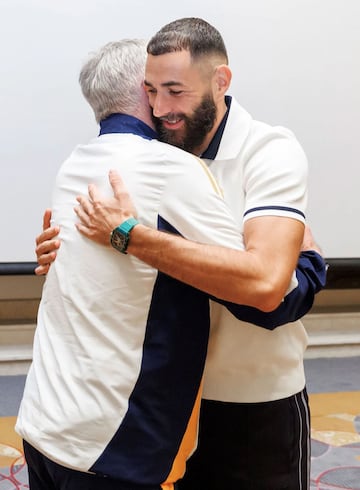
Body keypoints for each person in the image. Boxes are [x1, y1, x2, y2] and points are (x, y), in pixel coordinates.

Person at [34, 19, 327, 490]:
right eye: (151, 91)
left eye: (175, 91)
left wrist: (129, 236)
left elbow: (268, 291)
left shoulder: (268, 150)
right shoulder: (158, 154)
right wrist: (65, 250)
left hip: (254, 399)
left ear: (220, 82)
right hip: (170, 405)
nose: (160, 107)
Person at [16, 39, 256, 490]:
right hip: (112, 446)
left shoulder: (74, 164)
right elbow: (253, 283)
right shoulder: (170, 168)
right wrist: (303, 248)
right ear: (147, 92)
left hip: (45, 420)